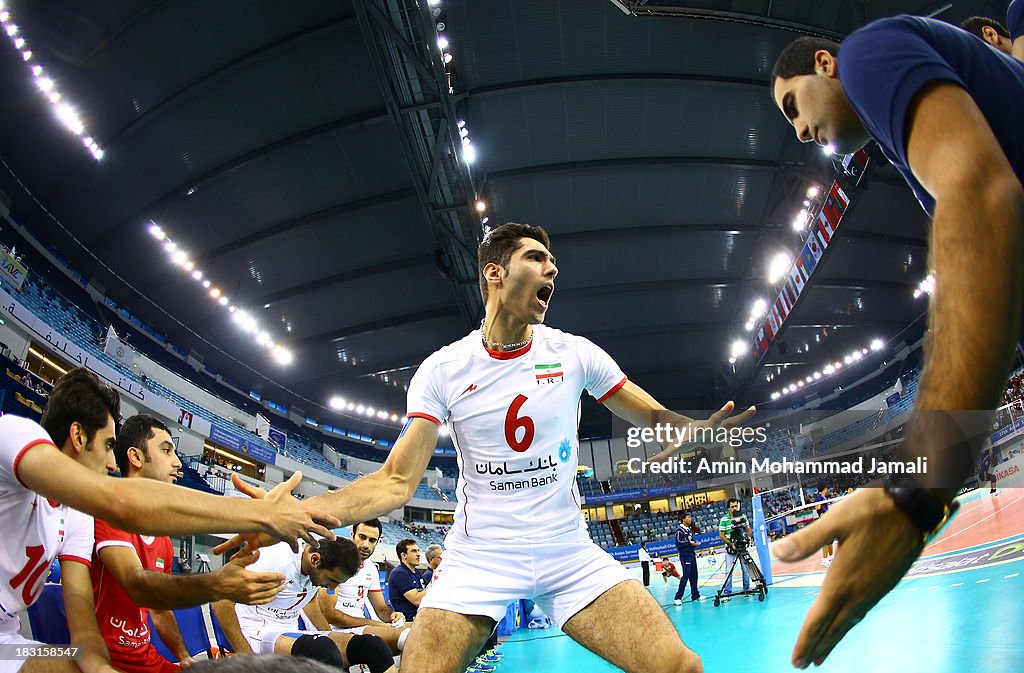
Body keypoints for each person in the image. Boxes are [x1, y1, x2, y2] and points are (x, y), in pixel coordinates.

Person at [218, 222, 755, 673]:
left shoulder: (574, 353)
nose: (553, 269)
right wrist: (294, 513)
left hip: (567, 551)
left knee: (681, 666)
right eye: (537, 258)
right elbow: (395, 482)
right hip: (479, 558)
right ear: (494, 273)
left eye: (553, 262)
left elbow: (653, 414)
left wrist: (689, 429)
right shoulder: (444, 369)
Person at [770, 17, 1024, 668]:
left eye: (793, 104)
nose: (798, 131)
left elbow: (983, 194)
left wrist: (916, 493)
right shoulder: (918, 129)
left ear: (825, 63)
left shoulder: (866, 53)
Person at [0, 368, 335, 673]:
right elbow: (118, 503)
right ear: (78, 436)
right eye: (107, 446)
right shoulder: (15, 433)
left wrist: (101, 669)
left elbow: (83, 629)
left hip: (9, 642)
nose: (112, 464)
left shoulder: (75, 517)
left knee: (70, 661)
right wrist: (261, 515)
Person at [92, 414, 290, 673]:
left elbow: (160, 611)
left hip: (146, 659)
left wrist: (183, 656)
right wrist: (217, 584)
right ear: (136, 457)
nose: (177, 463)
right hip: (105, 660)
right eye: (166, 450)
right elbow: (139, 586)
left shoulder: (162, 538)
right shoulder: (109, 513)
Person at [211, 538, 395, 673]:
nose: (332, 588)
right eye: (331, 580)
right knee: (323, 651)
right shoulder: (272, 560)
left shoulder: (313, 568)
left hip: (289, 631)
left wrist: (333, 636)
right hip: (255, 630)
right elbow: (220, 600)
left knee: (372, 646)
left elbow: (310, 601)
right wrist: (246, 657)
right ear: (315, 559)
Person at [316, 519, 411, 655]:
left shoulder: (371, 568)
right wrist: (375, 625)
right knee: (406, 637)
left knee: (420, 628)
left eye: (372, 540)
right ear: (352, 535)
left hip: (363, 628)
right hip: (337, 630)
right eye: (362, 537)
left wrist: (393, 616)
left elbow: (381, 609)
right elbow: (330, 615)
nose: (366, 545)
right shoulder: (335, 563)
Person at [718, 499, 753, 598]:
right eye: (732, 506)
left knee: (746, 569)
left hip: (742, 547)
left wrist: (749, 536)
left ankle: (746, 589)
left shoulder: (743, 517)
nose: (734, 508)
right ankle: (727, 592)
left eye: (736, 506)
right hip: (731, 548)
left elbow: (748, 529)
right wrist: (730, 544)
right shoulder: (724, 520)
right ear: (729, 508)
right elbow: (721, 535)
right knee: (729, 570)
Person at [386, 539, 427, 623]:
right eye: (414, 551)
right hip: (408, 621)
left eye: (418, 551)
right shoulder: (400, 573)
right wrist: (434, 581)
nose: (418, 554)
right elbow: (417, 600)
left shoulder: (416, 572)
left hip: (420, 617)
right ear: (404, 555)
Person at [673, 513, 701, 605]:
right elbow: (678, 543)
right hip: (685, 555)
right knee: (686, 575)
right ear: (683, 519)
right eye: (688, 517)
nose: (690, 519)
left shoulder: (689, 530)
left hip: (691, 554)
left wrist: (695, 544)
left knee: (694, 574)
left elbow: (691, 542)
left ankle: (695, 595)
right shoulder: (679, 530)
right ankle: (678, 597)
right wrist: (690, 543)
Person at [812, 487, 834, 567]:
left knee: (830, 539)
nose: (827, 490)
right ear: (824, 489)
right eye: (827, 489)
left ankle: (831, 557)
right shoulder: (819, 497)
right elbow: (817, 508)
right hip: (823, 517)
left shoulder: (824, 497)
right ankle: (824, 560)